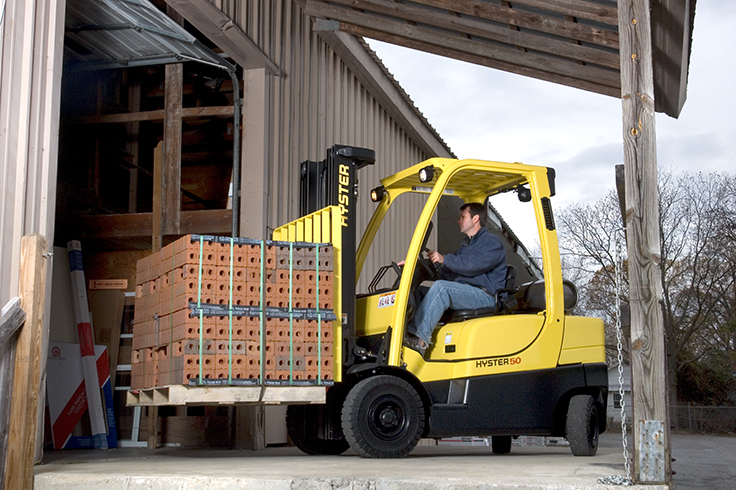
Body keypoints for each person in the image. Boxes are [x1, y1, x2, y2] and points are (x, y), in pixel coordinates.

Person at [403, 202, 507, 356]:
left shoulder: (492, 242)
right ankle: (405, 334)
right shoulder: (465, 248)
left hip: (486, 296)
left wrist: (444, 259)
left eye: (462, 217)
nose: (459, 221)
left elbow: (473, 265)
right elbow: (447, 272)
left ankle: (420, 340)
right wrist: (413, 265)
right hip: (467, 294)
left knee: (441, 288)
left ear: (475, 218)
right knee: (419, 292)